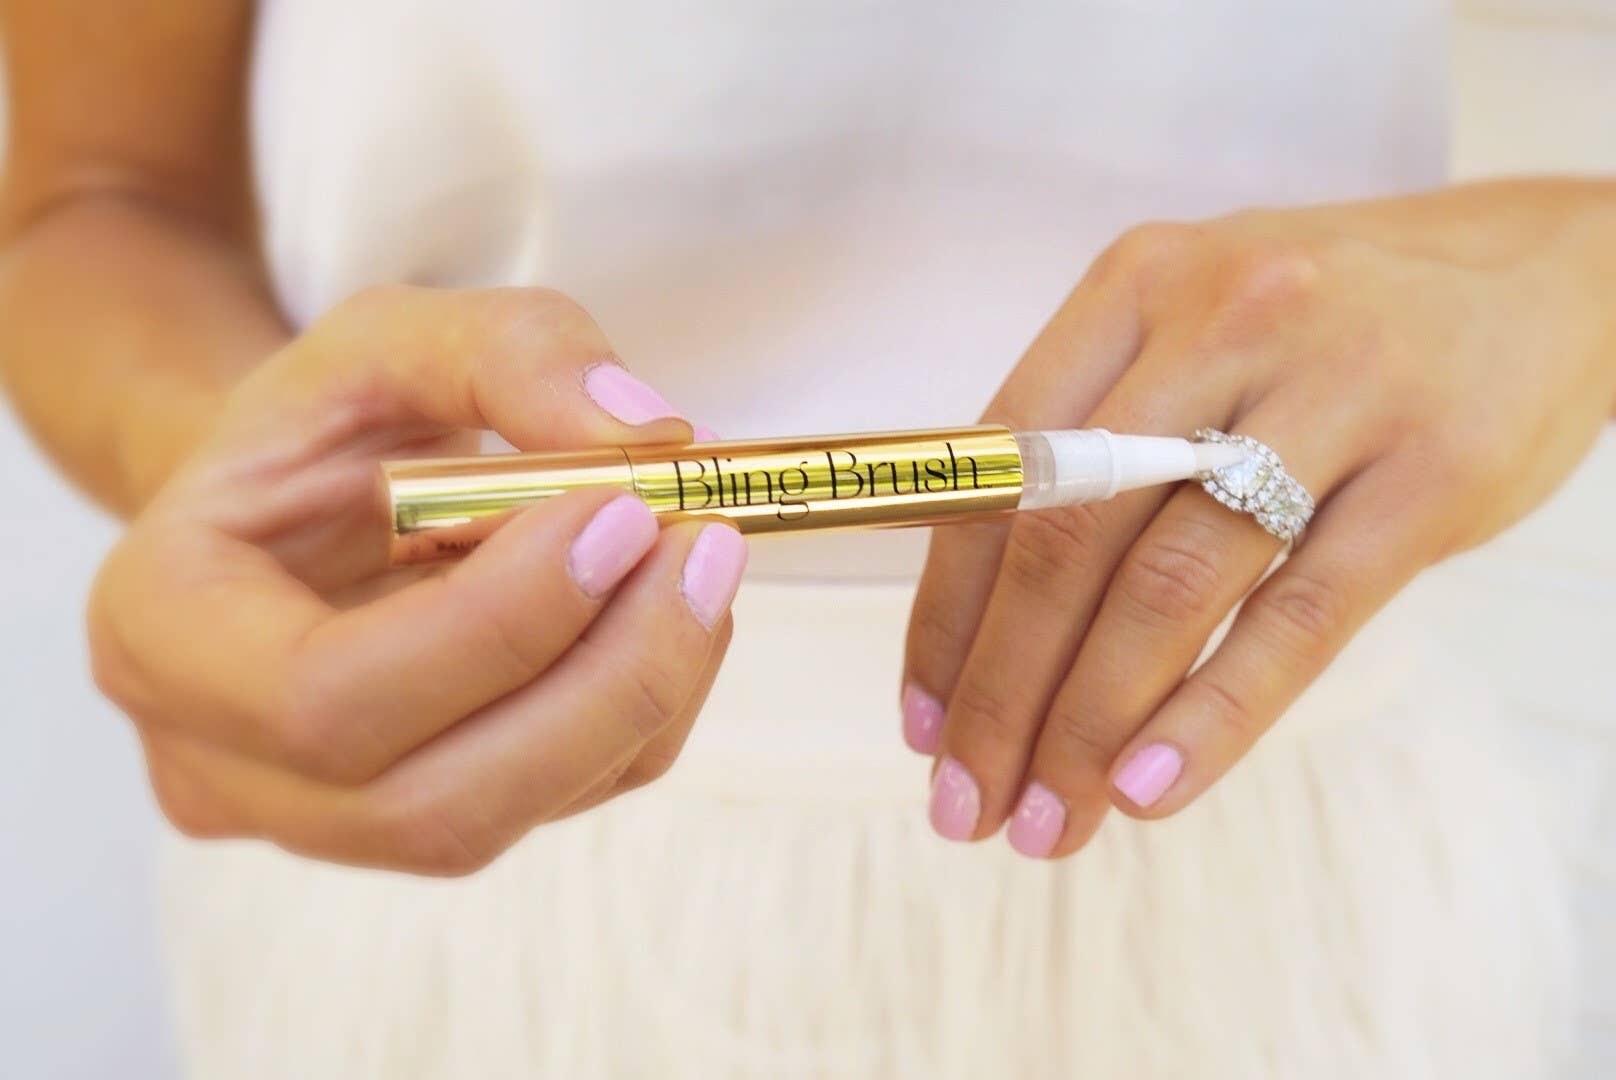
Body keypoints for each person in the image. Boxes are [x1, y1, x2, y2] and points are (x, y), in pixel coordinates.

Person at [2, 1, 1611, 1076]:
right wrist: (235, 465)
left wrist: (1573, 275)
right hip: (484, 899)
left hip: (1287, 920)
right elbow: (101, 190)